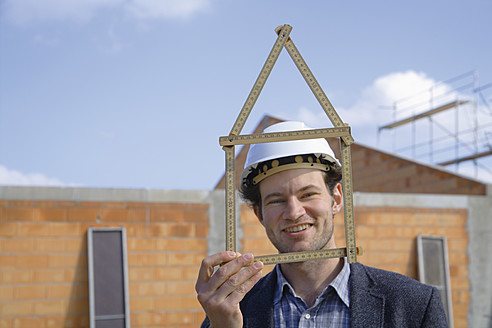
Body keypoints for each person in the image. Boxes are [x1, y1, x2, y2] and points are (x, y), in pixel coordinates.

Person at [196, 121, 448, 327]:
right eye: (276, 200)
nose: (294, 212)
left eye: (308, 194)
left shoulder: (414, 306)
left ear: (336, 199)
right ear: (259, 214)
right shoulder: (229, 313)